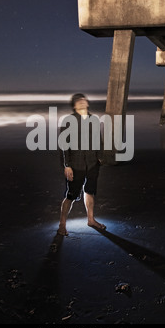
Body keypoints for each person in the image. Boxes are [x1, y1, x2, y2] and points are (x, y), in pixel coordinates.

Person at [57, 93, 106, 237]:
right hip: (75, 164)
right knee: (70, 196)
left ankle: (91, 220)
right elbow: (64, 145)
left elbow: (99, 140)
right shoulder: (68, 121)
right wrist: (67, 165)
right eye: (78, 101)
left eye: (83, 100)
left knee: (90, 192)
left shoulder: (94, 120)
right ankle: (62, 224)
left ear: (87, 103)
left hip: (92, 163)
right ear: (74, 105)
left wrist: (100, 157)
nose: (82, 102)